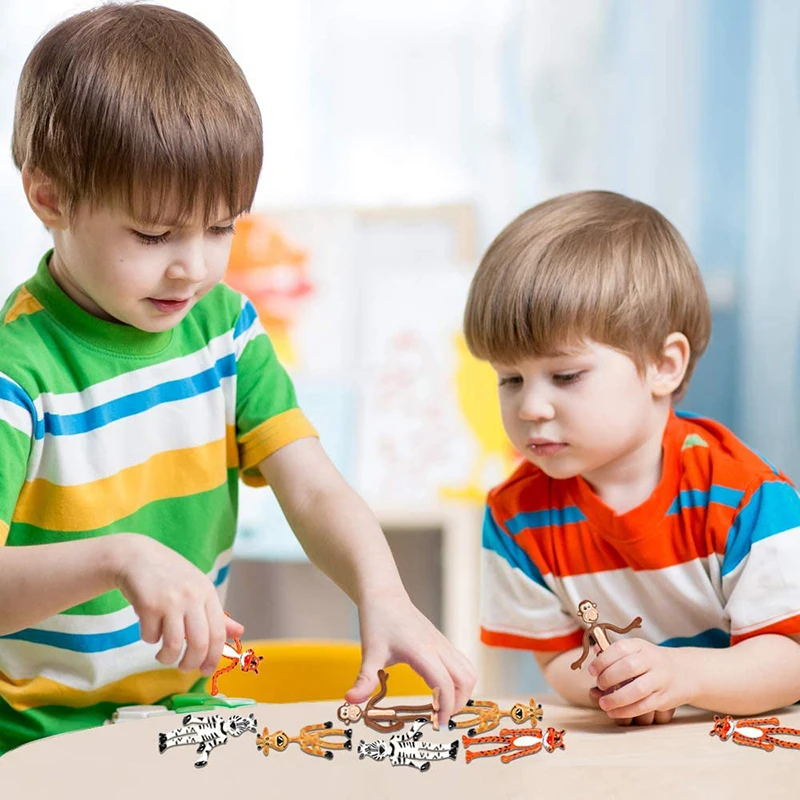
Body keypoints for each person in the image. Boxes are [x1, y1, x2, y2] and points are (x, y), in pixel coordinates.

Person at [0, 3, 474, 755]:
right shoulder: (16, 373)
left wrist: (384, 593)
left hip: (185, 718)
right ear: (50, 197)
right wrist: (118, 557)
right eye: (154, 235)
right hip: (34, 741)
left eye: (221, 227)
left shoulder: (224, 330)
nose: (193, 266)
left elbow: (312, 487)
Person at [465, 190, 800, 726]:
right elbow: (556, 656)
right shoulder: (515, 516)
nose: (530, 406)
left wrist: (682, 676)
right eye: (510, 378)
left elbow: (790, 662)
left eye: (566, 375)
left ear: (664, 366)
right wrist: (615, 689)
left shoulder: (747, 498)